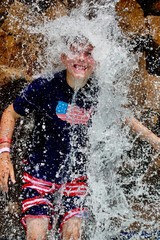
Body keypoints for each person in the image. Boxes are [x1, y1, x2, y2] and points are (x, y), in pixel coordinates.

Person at [0, 35, 160, 240]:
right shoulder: (45, 86)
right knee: (36, 235)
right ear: (64, 57)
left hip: (75, 179)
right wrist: (4, 155)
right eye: (75, 52)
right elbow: (10, 113)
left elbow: (124, 117)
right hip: (39, 176)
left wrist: (155, 141)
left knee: (73, 235)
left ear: (96, 60)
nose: (82, 58)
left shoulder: (98, 90)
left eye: (88, 53)